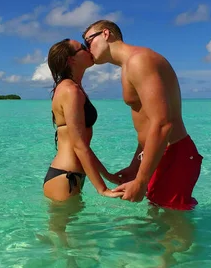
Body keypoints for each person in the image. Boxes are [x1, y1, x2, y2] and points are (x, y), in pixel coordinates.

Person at [82, 20, 203, 211]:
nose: (86, 49)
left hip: (173, 154)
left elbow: (163, 123)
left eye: (88, 41)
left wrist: (141, 181)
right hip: (159, 154)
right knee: (160, 224)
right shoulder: (128, 66)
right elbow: (147, 123)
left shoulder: (139, 60)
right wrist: (135, 166)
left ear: (106, 34)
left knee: (173, 228)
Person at [43, 38, 122, 202]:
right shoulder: (70, 91)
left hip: (70, 176)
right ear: (71, 59)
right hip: (65, 177)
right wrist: (102, 189)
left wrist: (108, 175)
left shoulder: (74, 88)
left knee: (69, 228)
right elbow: (79, 145)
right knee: (58, 229)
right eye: (83, 48)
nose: (89, 49)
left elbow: (82, 144)